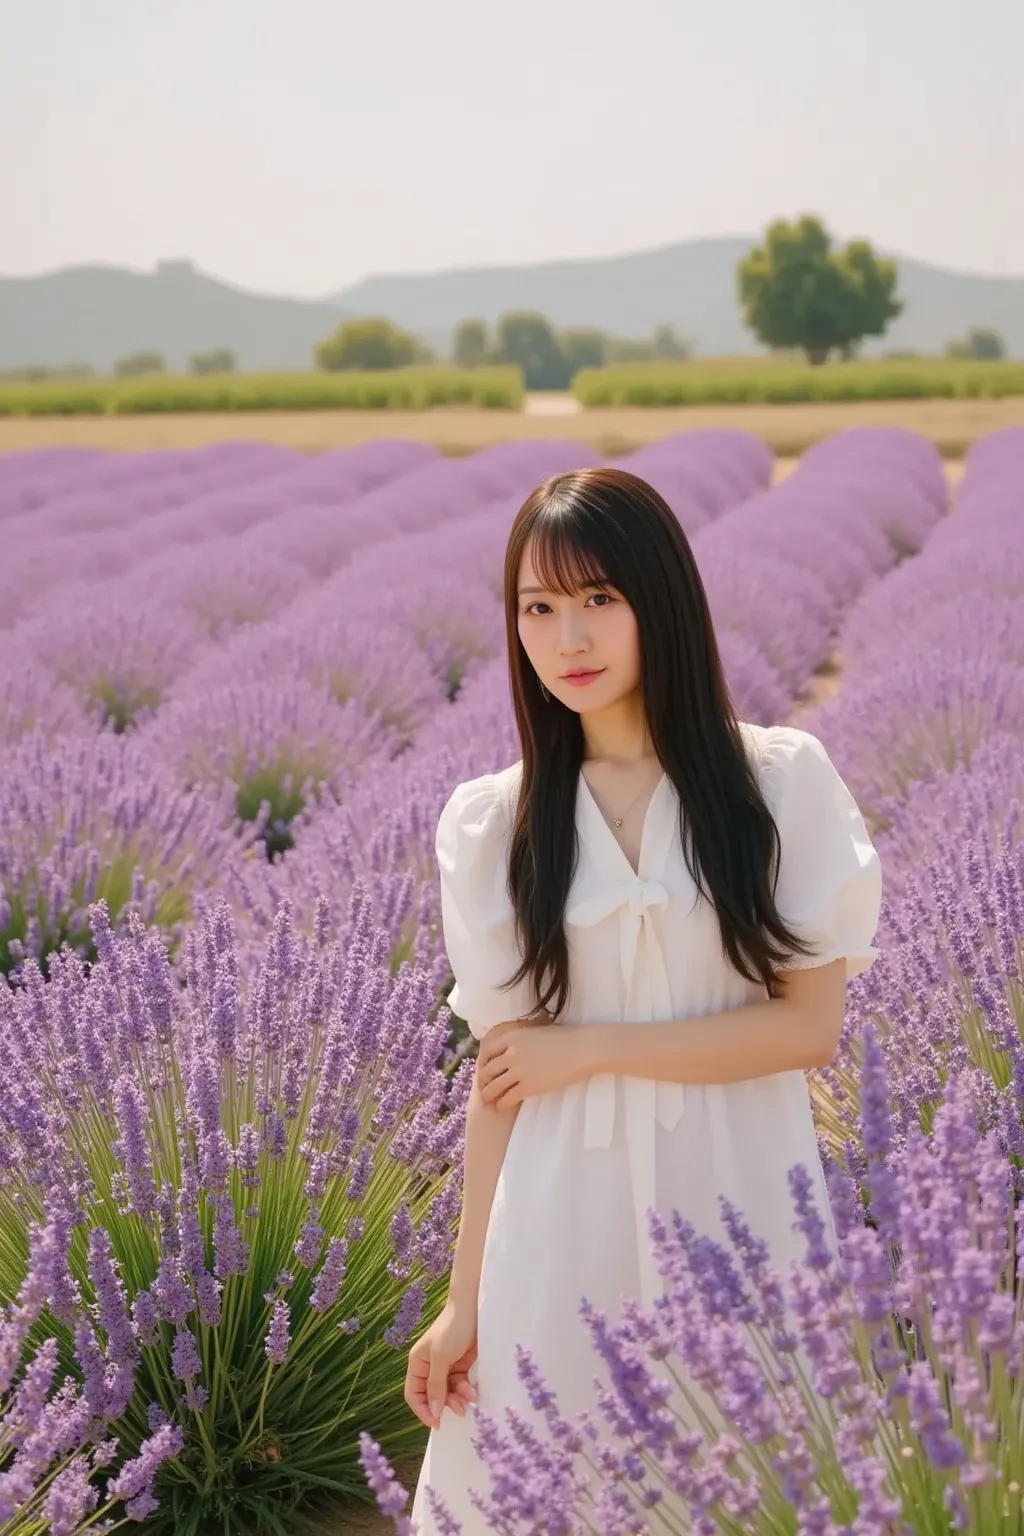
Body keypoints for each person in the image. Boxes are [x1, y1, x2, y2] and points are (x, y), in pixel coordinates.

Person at [405, 466, 882, 1533]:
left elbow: (807, 1030)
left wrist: (592, 1050)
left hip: (738, 1204)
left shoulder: (774, 784)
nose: (566, 636)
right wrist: (463, 1297)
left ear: (659, 600)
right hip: (553, 1216)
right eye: (537, 607)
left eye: (596, 600)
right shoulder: (496, 823)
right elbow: (503, 1083)